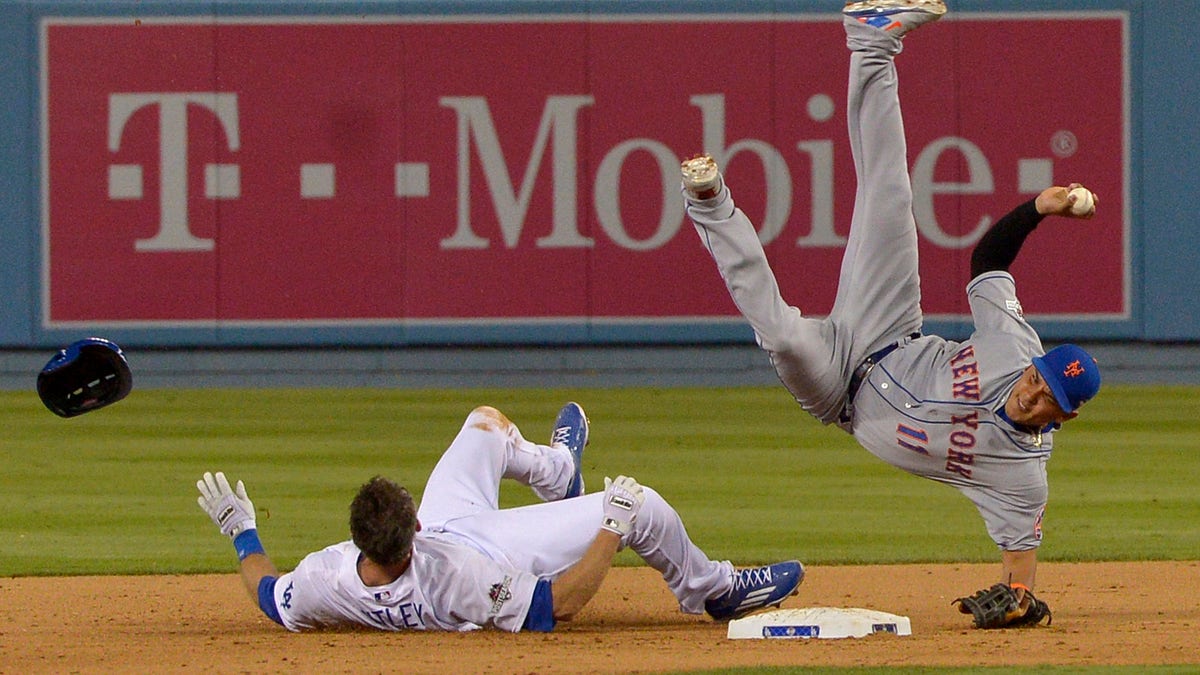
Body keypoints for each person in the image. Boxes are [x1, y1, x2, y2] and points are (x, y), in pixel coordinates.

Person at [681, 0, 1100, 627]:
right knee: (891, 192)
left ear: (1062, 420)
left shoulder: (1021, 475)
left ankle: (711, 206)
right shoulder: (1015, 349)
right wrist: (1037, 207)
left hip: (837, 392)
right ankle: (872, 40)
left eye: (1049, 404)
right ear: (1038, 365)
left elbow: (1019, 570)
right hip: (890, 327)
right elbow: (988, 263)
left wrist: (1022, 604)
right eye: (1040, 380)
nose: (1034, 395)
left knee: (786, 338)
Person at [197, 402, 803, 632]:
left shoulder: (327, 579)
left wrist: (240, 530)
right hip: (491, 548)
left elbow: (267, 593)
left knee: (484, 426)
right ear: (409, 532)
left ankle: (558, 472)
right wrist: (611, 529)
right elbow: (554, 606)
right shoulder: (460, 577)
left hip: (449, 532)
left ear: (359, 539)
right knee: (644, 506)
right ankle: (712, 590)